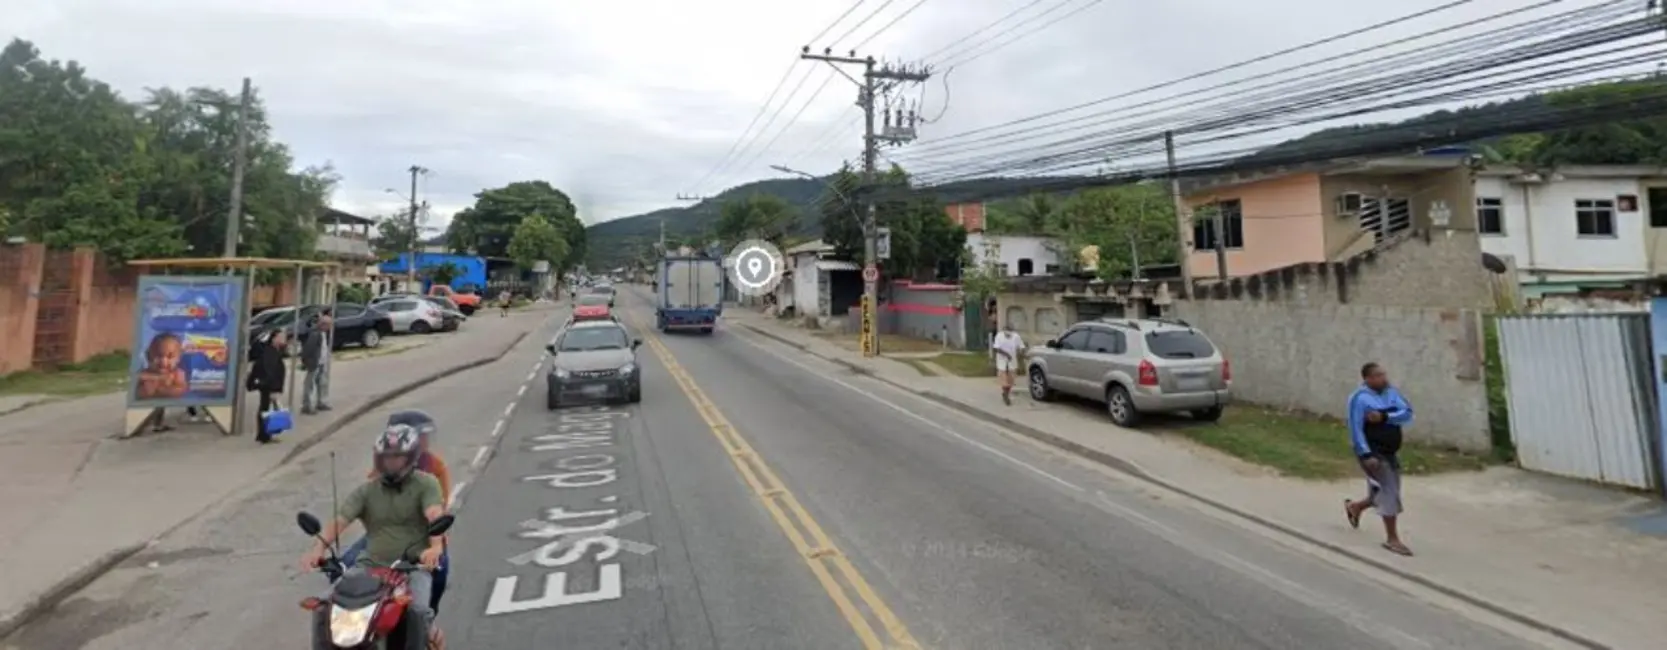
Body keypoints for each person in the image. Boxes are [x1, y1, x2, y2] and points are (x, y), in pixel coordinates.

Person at [300, 424, 445, 649]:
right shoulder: (367, 491)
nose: (391, 463)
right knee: (324, 605)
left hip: (412, 567)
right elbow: (340, 521)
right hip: (369, 567)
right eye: (386, 458)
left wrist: (434, 548)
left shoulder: (426, 484)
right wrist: (317, 549)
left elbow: (434, 514)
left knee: (417, 610)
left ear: (410, 458)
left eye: (397, 457)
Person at [344, 410, 453, 611]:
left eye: (425, 436)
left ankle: (428, 620)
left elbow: (439, 511)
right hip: (388, 530)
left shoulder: (435, 467)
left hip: (421, 532)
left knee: (440, 569)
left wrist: (433, 545)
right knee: (345, 562)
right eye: (421, 436)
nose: (425, 441)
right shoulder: (385, 466)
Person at [1344, 362, 1416, 557]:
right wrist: (1365, 454)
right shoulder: (1359, 399)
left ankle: (1355, 507)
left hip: (1390, 451)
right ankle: (1392, 539)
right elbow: (1355, 428)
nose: (1383, 378)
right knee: (1390, 491)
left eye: (1384, 374)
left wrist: (1384, 417)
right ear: (1367, 379)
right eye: (1377, 376)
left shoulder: (1392, 394)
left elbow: (1407, 414)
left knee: (1382, 493)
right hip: (1373, 452)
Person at [246, 329, 287, 444]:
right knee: (265, 409)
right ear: (274, 339)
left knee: (266, 408)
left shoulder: (274, 351)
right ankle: (264, 435)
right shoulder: (270, 352)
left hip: (267, 385)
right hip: (268, 386)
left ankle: (265, 434)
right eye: (281, 337)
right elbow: (270, 372)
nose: (284, 339)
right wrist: (274, 389)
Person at [300, 309, 333, 415]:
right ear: (323, 325)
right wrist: (307, 363)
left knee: (322, 383)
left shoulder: (322, 333)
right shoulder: (315, 334)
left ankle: (321, 402)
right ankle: (307, 406)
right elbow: (308, 350)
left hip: (321, 362)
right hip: (314, 363)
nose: (330, 328)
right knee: (310, 385)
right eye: (328, 326)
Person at [991, 321, 1026, 406]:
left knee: (1011, 379)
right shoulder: (999, 336)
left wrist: (1021, 353)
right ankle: (1006, 395)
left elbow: (1021, 346)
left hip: (1012, 361)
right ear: (1004, 330)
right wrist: (1006, 354)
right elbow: (996, 348)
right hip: (1002, 360)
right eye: (1007, 330)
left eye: (1010, 330)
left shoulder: (1016, 336)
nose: (1008, 332)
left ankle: (1006, 392)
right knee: (1003, 379)